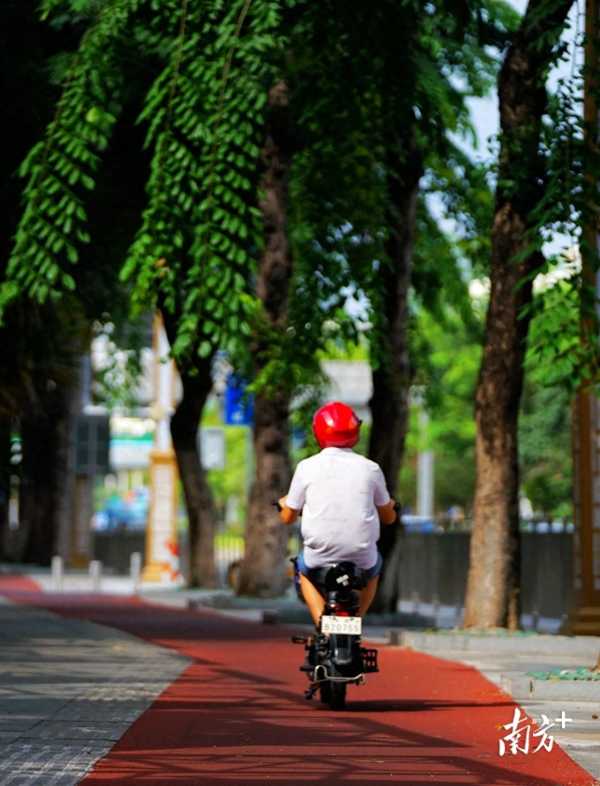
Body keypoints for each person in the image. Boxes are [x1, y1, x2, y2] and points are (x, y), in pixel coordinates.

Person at [277, 401, 398, 626]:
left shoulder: (307, 467)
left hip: (319, 556)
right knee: (375, 567)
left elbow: (287, 517)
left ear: (317, 433)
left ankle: (322, 625)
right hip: (361, 555)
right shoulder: (370, 468)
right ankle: (356, 621)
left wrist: (284, 504)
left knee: (302, 570)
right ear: (355, 432)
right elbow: (389, 517)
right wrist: (390, 507)